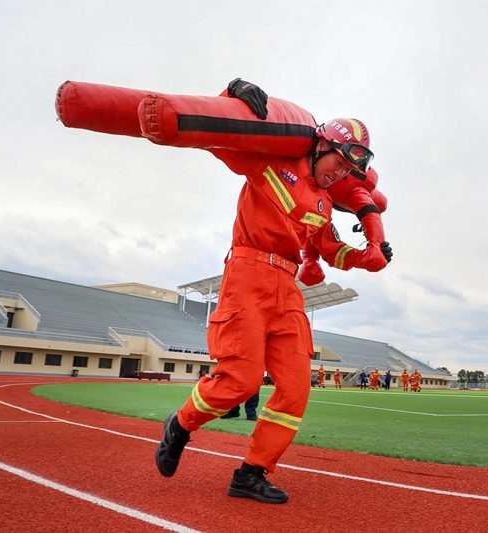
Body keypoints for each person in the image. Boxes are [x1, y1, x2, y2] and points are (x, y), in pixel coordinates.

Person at [155, 79, 392, 504]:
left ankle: (251, 472)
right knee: (241, 380)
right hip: (247, 273)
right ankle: (181, 424)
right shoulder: (269, 163)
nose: (339, 173)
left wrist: (367, 255)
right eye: (338, 162)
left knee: (296, 387)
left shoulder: (322, 203)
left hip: (287, 288)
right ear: (320, 146)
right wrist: (233, 92)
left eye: (347, 171)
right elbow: (220, 138)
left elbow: (329, 250)